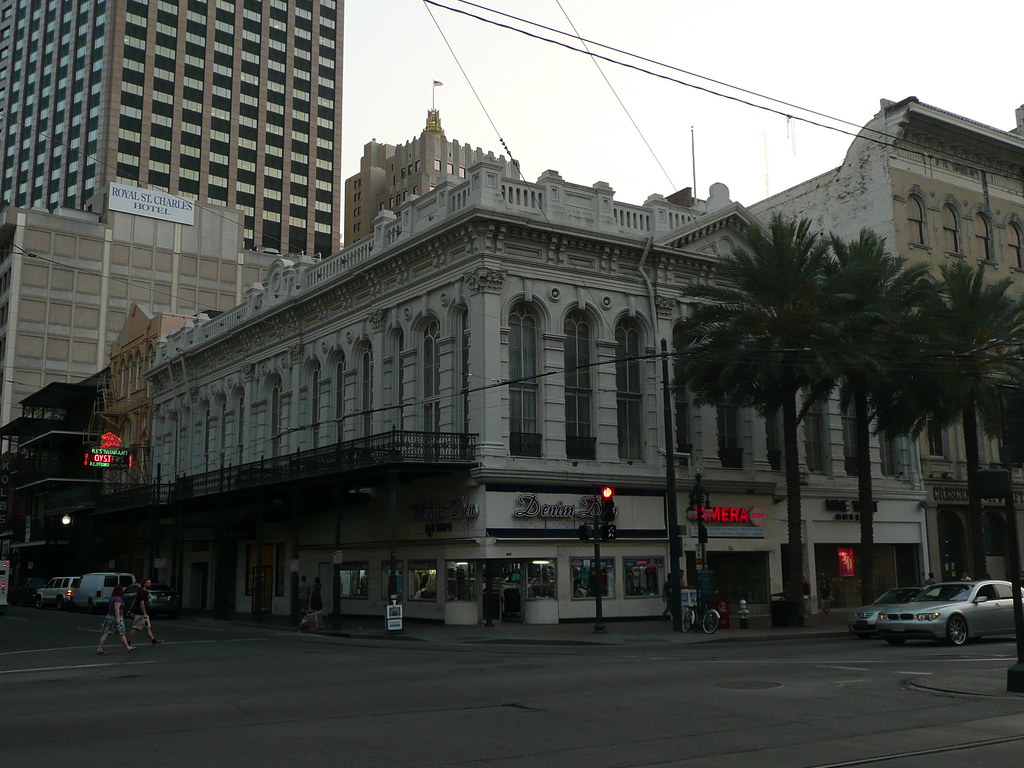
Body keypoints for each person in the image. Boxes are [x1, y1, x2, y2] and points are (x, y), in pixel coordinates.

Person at [96, 583, 135, 654]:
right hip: (117, 617)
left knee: (106, 633)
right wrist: (117, 619)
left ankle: (99, 648)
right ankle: (127, 647)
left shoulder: (112, 598)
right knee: (121, 633)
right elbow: (116, 608)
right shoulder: (118, 599)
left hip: (109, 616)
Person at [126, 577, 162, 647]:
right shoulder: (143, 592)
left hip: (143, 614)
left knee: (147, 627)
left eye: (150, 583)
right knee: (135, 628)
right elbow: (141, 603)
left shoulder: (142, 591)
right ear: (144, 584)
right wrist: (144, 613)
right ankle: (127, 642)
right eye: (148, 583)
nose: (150, 584)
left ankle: (154, 641)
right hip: (141, 614)